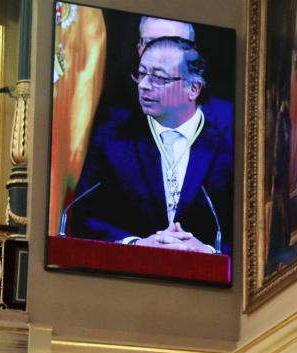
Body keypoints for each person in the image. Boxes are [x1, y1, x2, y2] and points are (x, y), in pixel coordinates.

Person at [69, 37, 233, 254]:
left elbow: (248, 232)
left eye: (158, 77)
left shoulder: (228, 145)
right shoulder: (114, 139)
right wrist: (136, 245)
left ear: (193, 88)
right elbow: (83, 217)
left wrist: (210, 252)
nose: (144, 85)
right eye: (141, 73)